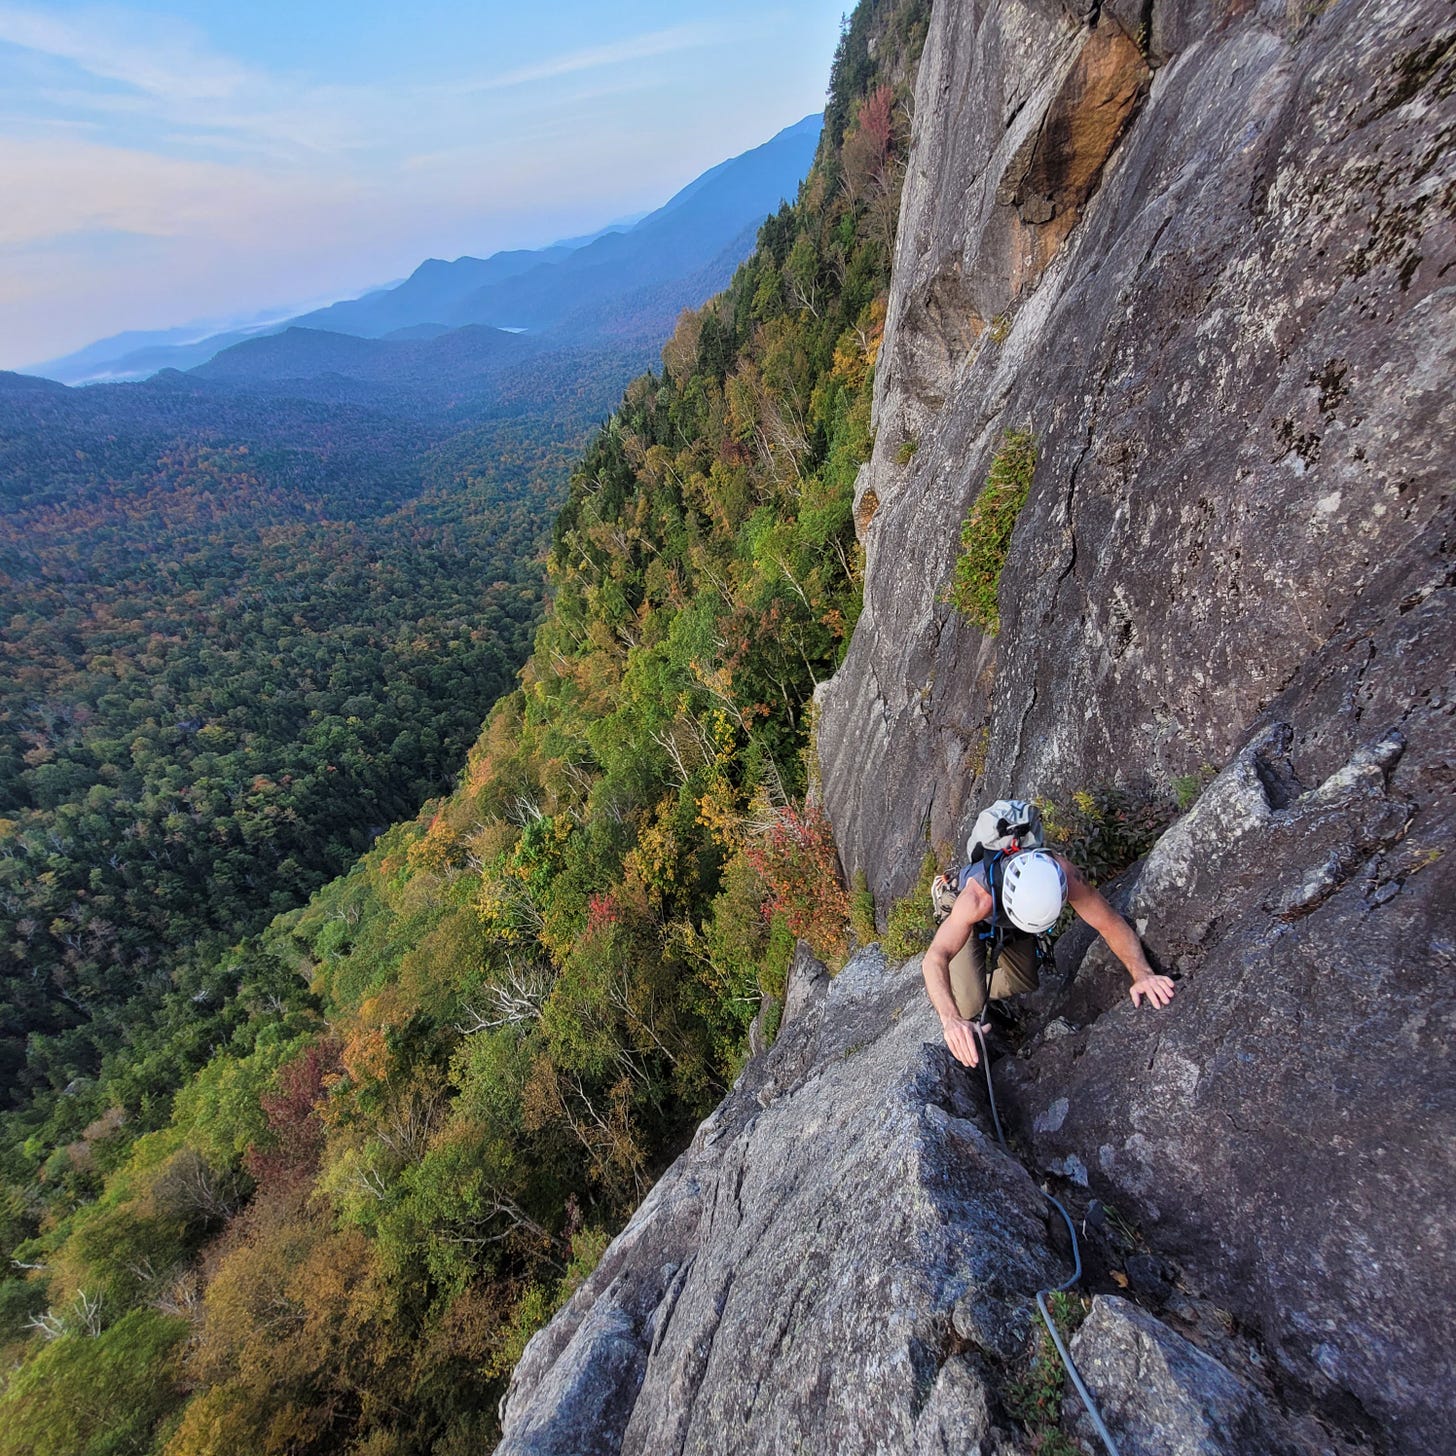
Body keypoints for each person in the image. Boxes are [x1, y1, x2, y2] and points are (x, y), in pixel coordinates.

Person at [922, 846, 1175, 1068]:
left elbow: (1109, 923)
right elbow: (935, 957)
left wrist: (1143, 974)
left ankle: (971, 983)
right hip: (962, 907)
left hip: (1015, 915)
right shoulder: (976, 899)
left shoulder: (1061, 873)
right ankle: (963, 990)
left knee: (1024, 981)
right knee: (969, 1004)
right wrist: (951, 1019)